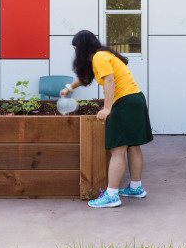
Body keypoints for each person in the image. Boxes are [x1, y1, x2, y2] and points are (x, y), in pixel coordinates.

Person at [60, 30, 153, 208]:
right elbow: (86, 77)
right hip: (135, 99)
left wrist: (107, 108)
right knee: (133, 146)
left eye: (75, 48)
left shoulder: (99, 57)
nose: (75, 53)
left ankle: (111, 195)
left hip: (125, 102)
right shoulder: (102, 55)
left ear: (82, 47)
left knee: (117, 149)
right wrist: (69, 88)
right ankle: (136, 188)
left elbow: (110, 81)